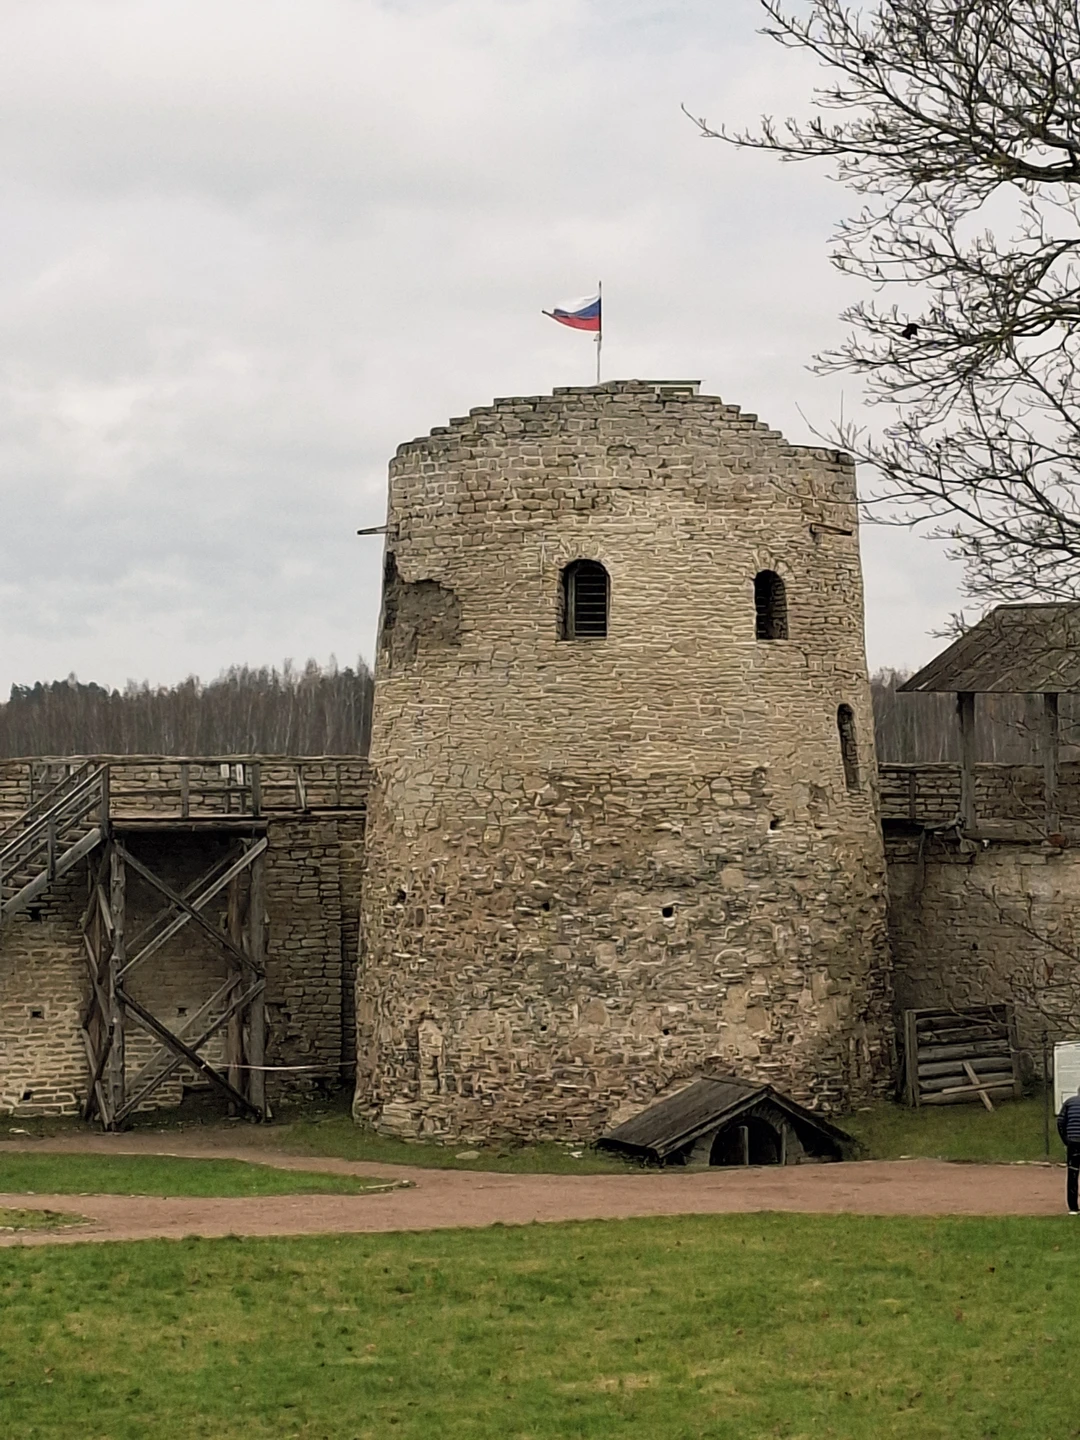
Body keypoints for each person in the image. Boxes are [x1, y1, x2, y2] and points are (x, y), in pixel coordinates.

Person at [1056, 1085, 1080, 1214]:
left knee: (1073, 1173)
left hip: (1073, 1142)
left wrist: (1066, 1140)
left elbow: (1060, 1122)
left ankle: (1073, 1208)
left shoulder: (1069, 1102)